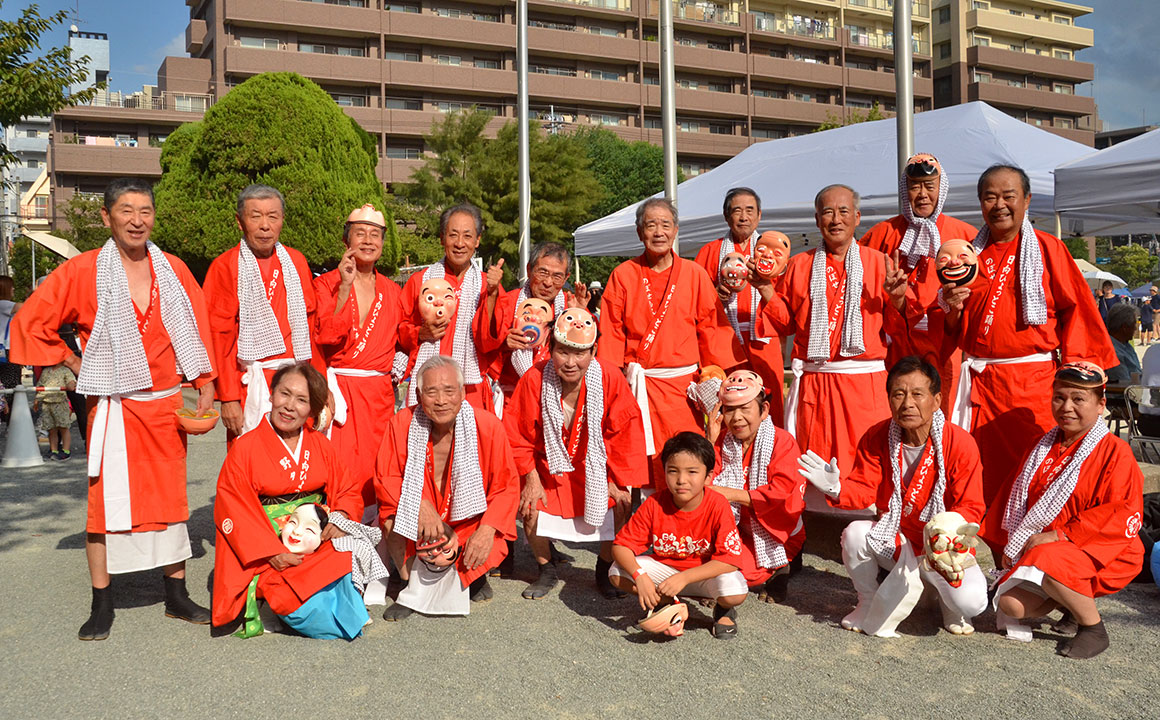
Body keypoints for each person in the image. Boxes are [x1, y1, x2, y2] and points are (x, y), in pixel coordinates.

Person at [9, 178, 217, 640]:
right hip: (112, 404)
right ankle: (102, 600)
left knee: (170, 501)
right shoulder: (82, 271)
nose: (137, 220)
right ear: (107, 217)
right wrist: (73, 360)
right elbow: (30, 322)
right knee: (104, 503)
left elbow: (197, 327)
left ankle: (175, 594)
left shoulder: (174, 269)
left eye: (145, 210)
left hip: (164, 403)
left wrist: (204, 382)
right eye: (126, 210)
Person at [935, 165, 1115, 504]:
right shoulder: (966, 256)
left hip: (1033, 386)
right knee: (977, 478)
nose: (999, 204)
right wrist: (952, 309)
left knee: (1036, 478)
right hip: (977, 387)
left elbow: (1077, 311)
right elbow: (950, 334)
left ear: (1027, 200)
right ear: (980, 203)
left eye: (1008, 196)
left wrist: (1078, 384)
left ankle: (1031, 556)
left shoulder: (1049, 249)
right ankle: (991, 554)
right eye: (989, 197)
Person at [799, 356, 986, 637]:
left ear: (936, 401)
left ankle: (950, 604)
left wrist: (945, 534)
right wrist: (835, 488)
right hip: (899, 538)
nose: (907, 403)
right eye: (898, 394)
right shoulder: (878, 436)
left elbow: (971, 505)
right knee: (854, 534)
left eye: (917, 394)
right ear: (888, 399)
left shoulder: (959, 442)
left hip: (945, 547)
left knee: (972, 602)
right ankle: (868, 601)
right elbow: (864, 488)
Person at [754, 184, 909, 508]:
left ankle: (873, 533)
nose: (835, 219)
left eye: (842, 212)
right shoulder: (798, 265)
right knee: (812, 461)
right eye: (827, 212)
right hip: (816, 384)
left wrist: (897, 300)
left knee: (868, 459)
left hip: (865, 385)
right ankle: (806, 534)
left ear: (857, 217)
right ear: (816, 219)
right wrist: (766, 289)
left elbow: (897, 330)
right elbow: (785, 325)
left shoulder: (880, 263)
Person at [983, 362, 1144, 659]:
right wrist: (1007, 557)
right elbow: (1008, 506)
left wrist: (1060, 536)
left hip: (1102, 549)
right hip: (1043, 553)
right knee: (1010, 604)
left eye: (1079, 399)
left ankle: (1092, 627)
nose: (1066, 407)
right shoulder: (1041, 446)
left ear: (1100, 405)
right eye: (1059, 397)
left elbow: (1119, 513)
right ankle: (1070, 604)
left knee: (1048, 558)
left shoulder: (1115, 452)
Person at [212, 363, 379, 639]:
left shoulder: (321, 445)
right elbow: (233, 508)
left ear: (312, 410)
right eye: (284, 394)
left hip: (315, 540)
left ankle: (331, 607)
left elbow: (348, 489)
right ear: (271, 394)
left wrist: (339, 520)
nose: (289, 406)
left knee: (354, 547)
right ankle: (275, 602)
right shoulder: (245, 449)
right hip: (269, 545)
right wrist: (271, 551)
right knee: (306, 611)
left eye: (301, 400)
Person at [598, 197, 744, 489]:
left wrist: (717, 375)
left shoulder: (694, 275)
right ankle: (647, 523)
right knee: (638, 463)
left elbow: (711, 328)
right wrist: (612, 383)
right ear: (640, 232)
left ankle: (682, 525)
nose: (659, 232)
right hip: (639, 387)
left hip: (683, 391)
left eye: (665, 224)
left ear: (676, 230)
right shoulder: (623, 275)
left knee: (685, 460)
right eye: (651, 225)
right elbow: (612, 332)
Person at [505, 308, 646, 599]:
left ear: (593, 351)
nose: (570, 363)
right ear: (550, 348)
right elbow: (516, 434)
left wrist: (618, 480)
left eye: (579, 353)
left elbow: (625, 433)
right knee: (529, 505)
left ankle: (603, 569)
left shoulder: (609, 377)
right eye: (563, 352)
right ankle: (546, 569)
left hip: (595, 466)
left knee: (620, 503)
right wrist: (531, 478)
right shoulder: (534, 378)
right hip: (549, 469)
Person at [374, 355, 519, 620]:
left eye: (449, 391)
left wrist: (486, 530)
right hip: (420, 524)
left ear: (463, 392)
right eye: (431, 392)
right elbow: (386, 476)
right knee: (392, 519)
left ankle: (472, 576)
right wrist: (418, 504)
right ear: (418, 394)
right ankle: (411, 586)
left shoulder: (487, 426)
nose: (440, 400)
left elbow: (507, 487)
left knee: (493, 531)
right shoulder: (402, 423)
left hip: (466, 522)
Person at [202, 184, 323, 445]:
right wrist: (229, 397)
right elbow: (218, 338)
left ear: (282, 220)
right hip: (249, 384)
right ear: (240, 221)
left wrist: (319, 388)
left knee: (296, 458)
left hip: (296, 381)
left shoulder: (296, 261)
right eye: (255, 216)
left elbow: (312, 329)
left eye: (273, 216)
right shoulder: (225, 266)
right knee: (248, 462)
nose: (265, 225)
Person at [859, 154, 977, 413]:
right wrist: (894, 299)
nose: (922, 194)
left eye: (929, 186)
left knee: (943, 416)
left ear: (941, 188)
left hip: (945, 342)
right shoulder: (882, 234)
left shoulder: (965, 235)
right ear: (905, 190)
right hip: (895, 341)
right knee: (896, 411)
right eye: (914, 186)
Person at [609, 432, 748, 639]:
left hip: (702, 574)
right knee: (616, 573)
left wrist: (684, 578)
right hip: (666, 571)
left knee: (735, 590)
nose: (681, 480)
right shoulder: (655, 503)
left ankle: (723, 610)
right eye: (673, 471)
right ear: (664, 472)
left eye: (692, 472)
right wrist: (640, 577)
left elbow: (730, 560)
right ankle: (666, 602)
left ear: (708, 476)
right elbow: (621, 546)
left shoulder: (717, 504)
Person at [312, 204, 403, 504]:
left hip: (377, 396)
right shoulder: (324, 284)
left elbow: (405, 338)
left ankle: (375, 540)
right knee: (336, 468)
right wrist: (344, 287)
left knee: (378, 468)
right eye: (360, 233)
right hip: (337, 390)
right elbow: (323, 336)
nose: (367, 240)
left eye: (375, 235)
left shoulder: (393, 291)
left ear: (383, 243)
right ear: (346, 241)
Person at [706, 369, 806, 603]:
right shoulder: (722, 441)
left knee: (737, 572)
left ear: (764, 411)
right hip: (737, 529)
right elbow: (702, 483)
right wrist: (709, 440)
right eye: (729, 409)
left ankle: (782, 566)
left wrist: (726, 494)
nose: (737, 418)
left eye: (744, 408)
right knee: (700, 559)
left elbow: (779, 493)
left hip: (775, 532)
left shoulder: (783, 441)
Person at [693, 187, 786, 420]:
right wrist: (714, 294)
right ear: (726, 216)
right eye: (737, 211)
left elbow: (784, 302)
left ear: (760, 215)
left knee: (768, 406)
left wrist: (765, 286)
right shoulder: (710, 251)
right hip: (723, 342)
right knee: (727, 407)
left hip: (763, 341)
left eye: (750, 210)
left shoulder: (773, 253)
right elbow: (694, 301)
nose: (744, 217)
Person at [396, 204, 495, 413]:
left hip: (471, 386)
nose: (460, 243)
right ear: (442, 238)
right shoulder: (420, 281)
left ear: (477, 240)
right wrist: (420, 333)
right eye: (453, 235)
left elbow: (492, 340)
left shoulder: (487, 285)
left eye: (467, 236)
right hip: (428, 386)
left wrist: (493, 294)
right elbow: (399, 331)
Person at [479, 241, 586, 406]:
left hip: (559, 398)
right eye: (542, 272)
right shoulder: (508, 302)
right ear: (529, 270)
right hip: (513, 399)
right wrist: (504, 344)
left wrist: (580, 317)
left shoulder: (570, 306)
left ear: (566, 278)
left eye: (557, 276)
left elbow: (587, 356)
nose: (548, 283)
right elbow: (484, 344)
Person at [34, 361, 77, 460]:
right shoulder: (46, 371)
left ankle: (66, 450)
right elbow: (40, 385)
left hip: (60, 402)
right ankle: (54, 449)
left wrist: (71, 384)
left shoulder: (66, 371)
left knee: (63, 427)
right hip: (46, 402)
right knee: (51, 428)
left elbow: (71, 382)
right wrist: (37, 399)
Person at [1105, 303, 1141, 385]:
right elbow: (1124, 385)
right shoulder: (1113, 352)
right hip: (1125, 394)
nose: (1136, 328)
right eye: (1134, 324)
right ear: (1125, 327)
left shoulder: (1125, 345)